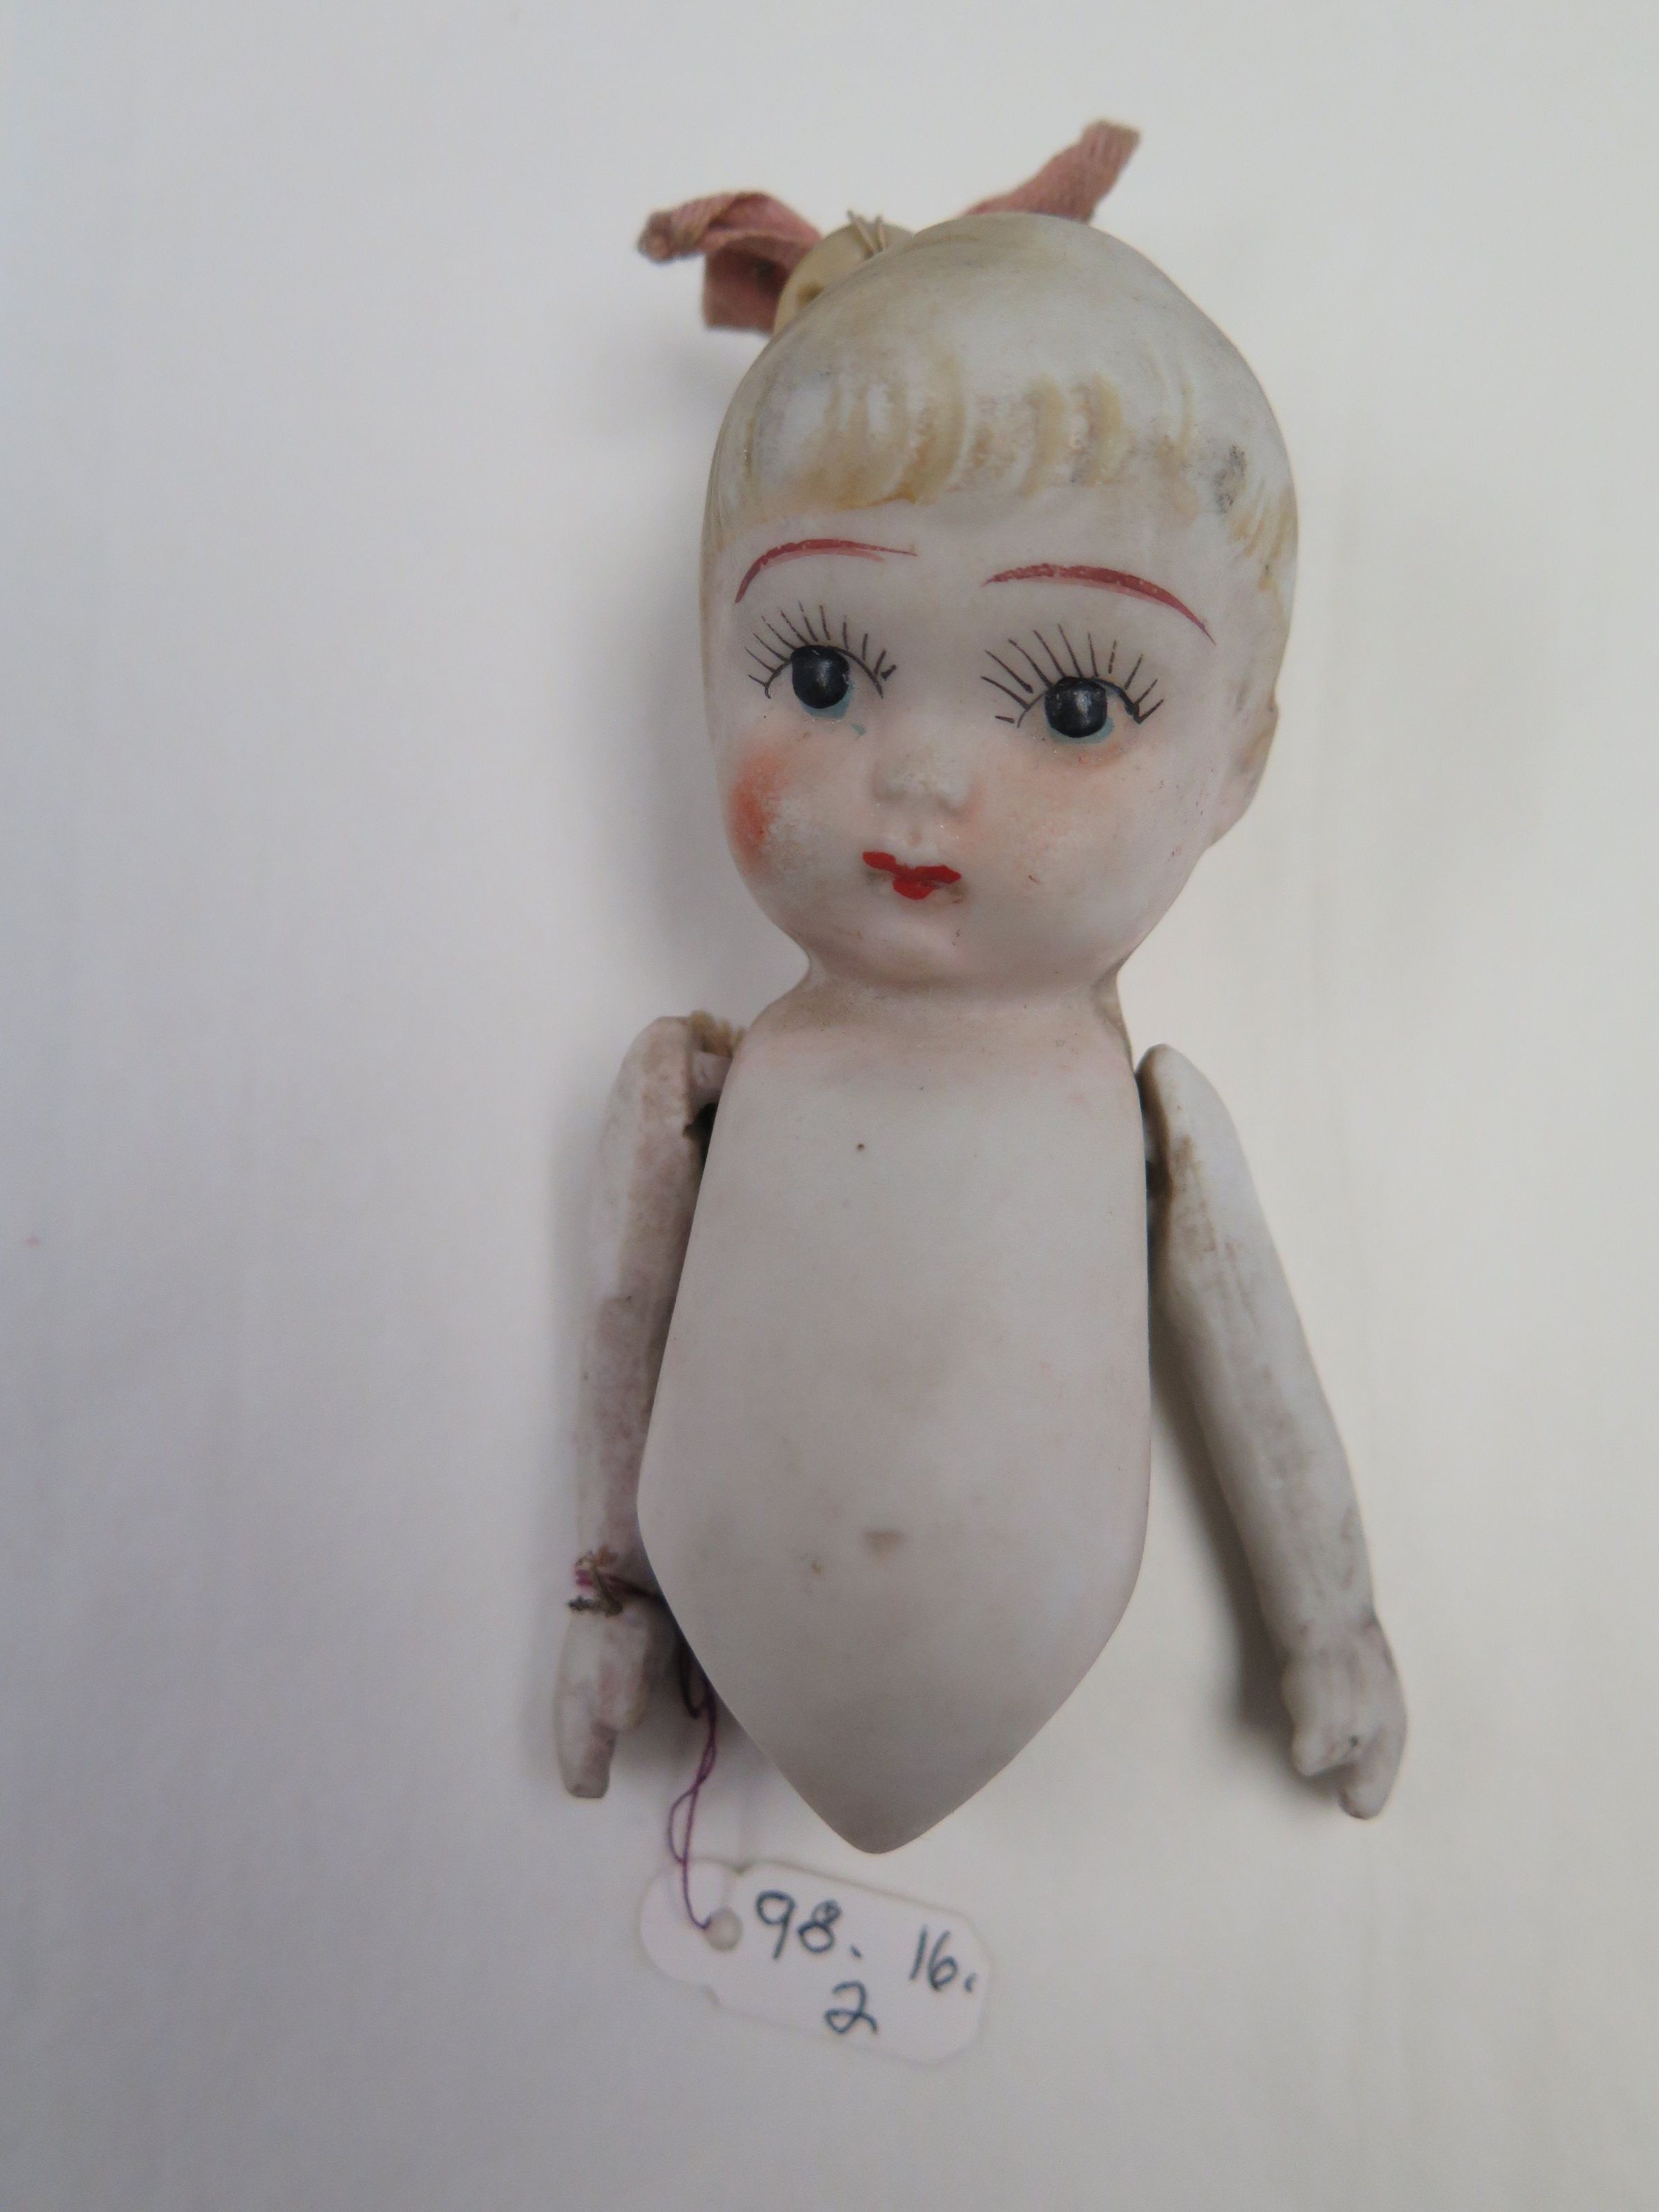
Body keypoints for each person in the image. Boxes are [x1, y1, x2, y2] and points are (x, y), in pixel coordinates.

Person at [555, 133, 1405, 1854]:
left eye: (1078, 705)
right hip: (727, 1595)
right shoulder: (700, 1090)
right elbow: (627, 1316)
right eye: (821, 670)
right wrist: (608, 1594)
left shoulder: (1147, 1121)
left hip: (1027, 1634)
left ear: (1236, 764)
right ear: (710, 670)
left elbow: (1258, 1361)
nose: (922, 780)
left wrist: (1334, 1625)